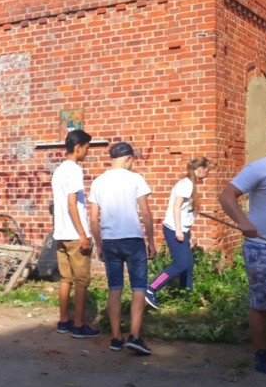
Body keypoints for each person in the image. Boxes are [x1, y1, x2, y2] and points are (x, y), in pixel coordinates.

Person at [219, 122, 266, 375]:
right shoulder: (260, 168)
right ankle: (261, 353)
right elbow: (227, 196)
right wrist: (243, 222)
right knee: (262, 303)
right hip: (263, 249)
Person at [88, 142, 156, 355]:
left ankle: (116, 338)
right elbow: (146, 213)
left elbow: (93, 219)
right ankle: (134, 336)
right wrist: (151, 241)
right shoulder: (136, 179)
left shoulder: (98, 182)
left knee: (114, 288)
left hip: (110, 240)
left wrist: (99, 244)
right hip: (133, 240)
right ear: (128, 158)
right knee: (139, 287)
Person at [51, 130, 99, 338]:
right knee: (81, 281)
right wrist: (82, 234)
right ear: (78, 147)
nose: (87, 152)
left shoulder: (59, 170)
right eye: (87, 148)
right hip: (74, 234)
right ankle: (79, 325)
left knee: (65, 279)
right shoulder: (75, 170)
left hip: (61, 233)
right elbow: (72, 204)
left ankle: (64, 321)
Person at [146, 157, 211, 309]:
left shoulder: (189, 183)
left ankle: (186, 295)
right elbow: (176, 207)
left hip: (181, 229)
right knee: (181, 264)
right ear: (200, 169)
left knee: (188, 264)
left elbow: (183, 209)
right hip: (174, 229)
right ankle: (150, 288)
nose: (207, 174)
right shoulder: (186, 184)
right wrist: (179, 230)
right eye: (206, 171)